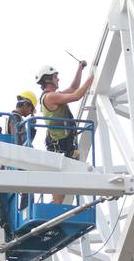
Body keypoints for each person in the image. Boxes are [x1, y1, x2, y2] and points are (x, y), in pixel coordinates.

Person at [35, 61, 94, 203]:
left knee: (64, 179)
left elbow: (74, 88)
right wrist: (91, 79)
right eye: (55, 76)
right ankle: (56, 208)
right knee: (61, 180)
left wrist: (80, 68)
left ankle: (56, 207)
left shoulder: (52, 95)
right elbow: (76, 96)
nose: (58, 79)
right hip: (60, 145)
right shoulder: (50, 97)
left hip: (63, 143)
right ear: (48, 79)